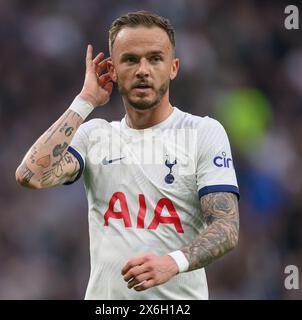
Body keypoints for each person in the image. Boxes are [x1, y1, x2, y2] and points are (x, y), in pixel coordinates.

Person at [15, 11, 240, 300]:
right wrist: (84, 101)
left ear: (173, 67)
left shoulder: (203, 132)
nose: (143, 70)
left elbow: (226, 227)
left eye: (155, 58)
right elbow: (30, 175)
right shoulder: (95, 135)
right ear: (113, 69)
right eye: (131, 60)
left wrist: (173, 262)